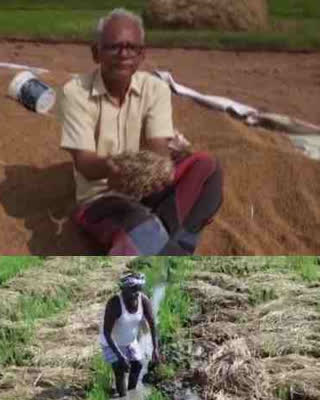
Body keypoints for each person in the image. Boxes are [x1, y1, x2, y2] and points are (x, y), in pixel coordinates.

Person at [58, 8, 223, 255]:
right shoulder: (75, 93)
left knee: (206, 167)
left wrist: (149, 168)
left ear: (141, 55)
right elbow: (85, 164)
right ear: (96, 53)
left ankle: (176, 246)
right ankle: (158, 251)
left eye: (131, 47)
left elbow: (157, 153)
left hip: (143, 189)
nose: (123, 54)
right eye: (114, 47)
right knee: (145, 228)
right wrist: (116, 167)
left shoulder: (156, 89)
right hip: (101, 198)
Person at [99, 272, 159, 397]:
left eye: (138, 290)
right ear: (123, 290)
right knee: (120, 370)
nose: (135, 293)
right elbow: (106, 332)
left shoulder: (143, 300)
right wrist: (120, 357)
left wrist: (155, 349)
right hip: (111, 343)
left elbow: (152, 324)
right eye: (132, 290)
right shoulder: (115, 303)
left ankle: (131, 395)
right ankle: (122, 397)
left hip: (130, 341)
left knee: (137, 365)